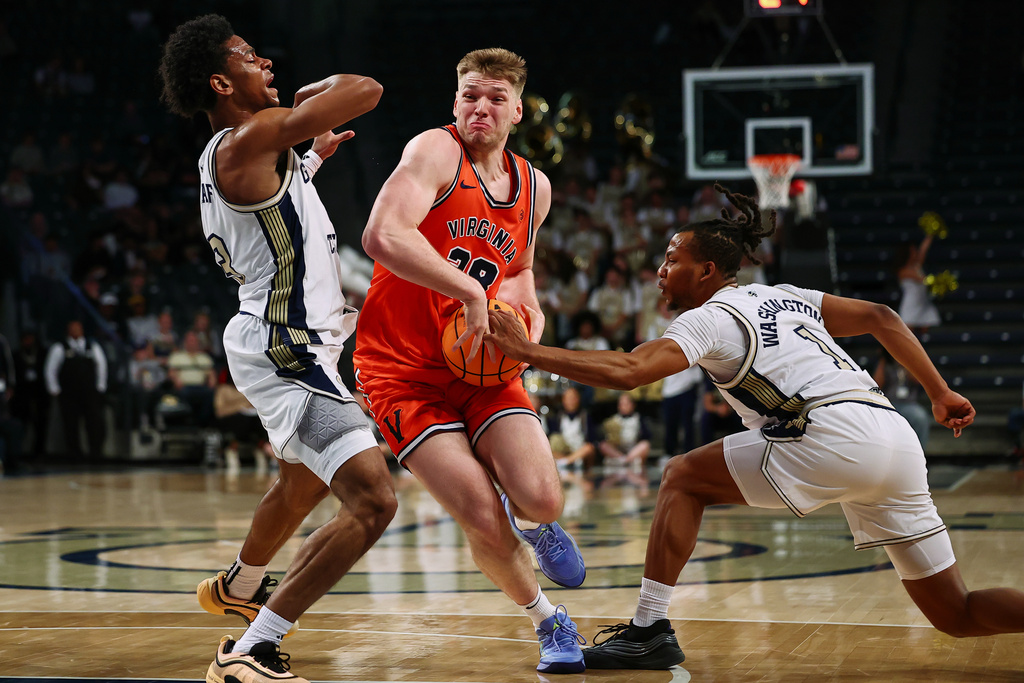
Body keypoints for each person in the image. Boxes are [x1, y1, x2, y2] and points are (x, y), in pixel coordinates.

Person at [486, 183, 1024, 671]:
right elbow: (882, 316)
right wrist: (939, 391)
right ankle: (648, 632)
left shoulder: (709, 316)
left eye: (672, 259)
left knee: (680, 477)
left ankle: (648, 631)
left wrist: (527, 351)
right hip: (894, 437)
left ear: (706, 272)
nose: (660, 271)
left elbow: (631, 371)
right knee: (957, 612)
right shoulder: (786, 296)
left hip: (829, 434)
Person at [158, 14, 396, 683]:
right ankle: (249, 648)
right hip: (289, 349)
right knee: (375, 501)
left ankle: (242, 581)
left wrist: (310, 153)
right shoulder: (254, 134)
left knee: (304, 482)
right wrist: (306, 103)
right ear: (219, 82)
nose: (265, 63)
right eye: (248, 57)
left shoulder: (235, 153)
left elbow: (275, 211)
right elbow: (367, 88)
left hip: (279, 341)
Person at [354, 47, 587, 674]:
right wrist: (468, 291)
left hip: (480, 363)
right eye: (468, 96)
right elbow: (382, 235)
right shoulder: (435, 151)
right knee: (482, 515)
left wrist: (527, 314)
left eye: (493, 97)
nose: (479, 107)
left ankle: (535, 524)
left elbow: (520, 272)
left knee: (541, 498)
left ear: (516, 109)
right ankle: (549, 622)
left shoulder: (532, 186)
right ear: (455, 104)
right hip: (402, 370)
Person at [44, 319, 107, 459]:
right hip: (69, 393)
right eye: (73, 328)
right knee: (70, 424)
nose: (76, 331)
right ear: (68, 330)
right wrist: (54, 389)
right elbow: (50, 369)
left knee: (94, 422)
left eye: (78, 328)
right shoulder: (60, 347)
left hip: (90, 392)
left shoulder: (92, 346)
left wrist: (101, 386)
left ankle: (95, 452)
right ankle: (74, 453)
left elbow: (101, 366)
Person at [896, 233, 941, 335]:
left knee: (926, 335)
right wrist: (937, 282)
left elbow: (923, 250)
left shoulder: (917, 266)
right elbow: (921, 279)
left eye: (915, 250)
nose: (916, 252)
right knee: (908, 337)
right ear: (907, 253)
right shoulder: (903, 271)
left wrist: (931, 234)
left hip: (923, 303)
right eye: (913, 251)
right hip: (911, 305)